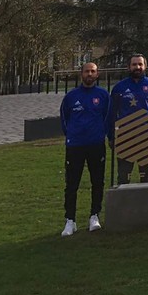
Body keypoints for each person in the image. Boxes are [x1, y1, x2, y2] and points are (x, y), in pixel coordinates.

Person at [60, 61, 108, 236]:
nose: (90, 74)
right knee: (72, 184)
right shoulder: (71, 96)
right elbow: (64, 119)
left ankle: (94, 216)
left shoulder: (103, 95)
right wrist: (73, 135)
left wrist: (101, 134)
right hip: (75, 146)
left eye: (93, 71)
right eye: (87, 71)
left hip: (96, 145)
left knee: (97, 181)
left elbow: (107, 118)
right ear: (81, 74)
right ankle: (70, 220)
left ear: (97, 74)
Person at [108, 53, 148, 184]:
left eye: (140, 64)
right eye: (134, 64)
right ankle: (124, 204)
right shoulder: (119, 87)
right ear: (128, 67)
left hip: (147, 136)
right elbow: (111, 114)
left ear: (145, 66)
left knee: (146, 177)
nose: (137, 67)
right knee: (123, 177)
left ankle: (147, 204)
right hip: (126, 137)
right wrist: (111, 136)